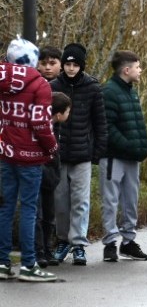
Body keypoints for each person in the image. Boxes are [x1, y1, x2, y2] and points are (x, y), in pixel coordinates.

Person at [0, 39, 58, 282]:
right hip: (31, 155)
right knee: (29, 209)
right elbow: (40, 123)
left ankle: (2, 262)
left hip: (6, 152)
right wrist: (52, 147)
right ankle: (28, 264)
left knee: (5, 207)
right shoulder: (40, 85)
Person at [50, 43, 107, 266]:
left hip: (82, 153)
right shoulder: (53, 86)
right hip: (59, 153)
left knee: (81, 201)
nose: (71, 68)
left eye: (75, 64)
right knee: (60, 200)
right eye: (68, 64)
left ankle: (79, 244)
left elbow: (100, 123)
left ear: (81, 66)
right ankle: (63, 240)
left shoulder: (93, 87)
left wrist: (98, 151)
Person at [100, 50, 147, 262]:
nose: (140, 71)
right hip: (114, 157)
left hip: (132, 158)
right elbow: (107, 127)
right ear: (127, 70)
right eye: (138, 67)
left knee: (131, 199)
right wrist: (129, 145)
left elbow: (136, 123)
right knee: (110, 200)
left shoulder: (131, 92)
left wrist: (141, 147)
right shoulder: (109, 92)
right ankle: (110, 243)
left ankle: (128, 241)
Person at [34, 46, 63, 267]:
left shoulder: (60, 89)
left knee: (49, 209)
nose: (47, 67)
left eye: (52, 63)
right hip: (36, 154)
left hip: (53, 157)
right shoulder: (33, 87)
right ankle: (39, 250)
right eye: (43, 63)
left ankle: (48, 248)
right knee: (36, 208)